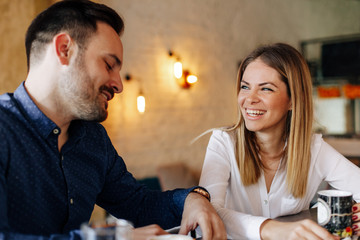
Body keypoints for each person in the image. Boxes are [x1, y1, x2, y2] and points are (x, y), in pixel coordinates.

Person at [0, 1, 226, 239]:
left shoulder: (94, 140)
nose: (118, 85)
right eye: (109, 65)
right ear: (64, 49)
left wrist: (192, 199)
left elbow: (139, 205)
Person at [198, 43, 360, 239]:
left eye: (265, 89)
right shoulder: (223, 142)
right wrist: (270, 228)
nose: (249, 99)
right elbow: (208, 213)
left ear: (293, 100)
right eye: (245, 87)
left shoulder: (313, 149)